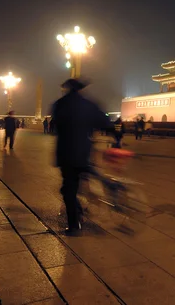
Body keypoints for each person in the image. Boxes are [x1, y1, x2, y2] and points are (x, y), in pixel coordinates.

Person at [52, 78, 112, 233]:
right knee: (83, 178)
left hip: (67, 154)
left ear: (67, 89)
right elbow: (105, 122)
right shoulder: (89, 104)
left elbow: (55, 126)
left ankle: (74, 225)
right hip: (84, 152)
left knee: (68, 190)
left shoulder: (60, 104)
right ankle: (110, 188)